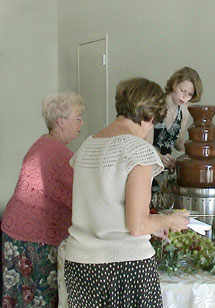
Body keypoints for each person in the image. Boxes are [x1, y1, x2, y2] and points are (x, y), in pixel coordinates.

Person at [64, 78, 189, 308]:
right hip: (123, 265)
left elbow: (102, 206)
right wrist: (170, 219)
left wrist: (156, 224)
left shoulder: (87, 145)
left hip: (79, 263)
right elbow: (137, 226)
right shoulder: (138, 150)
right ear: (149, 118)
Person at [1, 93, 84, 307]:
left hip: (16, 233)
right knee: (38, 300)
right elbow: (80, 199)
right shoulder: (58, 154)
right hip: (34, 241)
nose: (81, 123)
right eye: (78, 117)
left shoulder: (44, 144)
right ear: (61, 122)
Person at [146, 67, 203, 171]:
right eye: (182, 90)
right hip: (147, 165)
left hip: (167, 168)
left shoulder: (185, 111)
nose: (184, 97)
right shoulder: (155, 105)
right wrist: (159, 157)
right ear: (174, 84)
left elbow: (178, 141)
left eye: (190, 94)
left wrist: (192, 154)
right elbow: (145, 143)